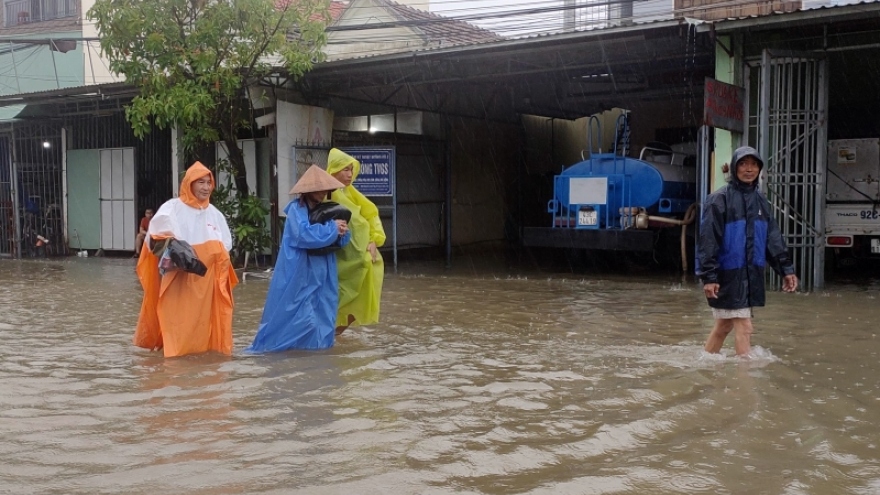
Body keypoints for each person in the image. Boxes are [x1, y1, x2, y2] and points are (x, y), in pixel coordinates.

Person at [697, 146, 799, 357]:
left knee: (723, 326)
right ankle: (746, 382)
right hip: (727, 275)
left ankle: (704, 365)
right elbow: (708, 241)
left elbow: (772, 238)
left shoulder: (760, 200)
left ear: (760, 168)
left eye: (753, 164)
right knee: (745, 327)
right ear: (734, 168)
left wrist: (785, 269)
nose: (749, 169)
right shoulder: (719, 199)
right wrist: (709, 276)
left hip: (750, 274)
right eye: (743, 164)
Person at [133, 162, 238, 358]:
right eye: (201, 182)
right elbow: (154, 240)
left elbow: (226, 247)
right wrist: (176, 248)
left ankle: (201, 362)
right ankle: (176, 367)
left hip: (207, 282)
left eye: (209, 182)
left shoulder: (214, 214)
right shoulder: (172, 208)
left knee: (206, 324)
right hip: (179, 280)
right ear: (189, 184)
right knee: (177, 322)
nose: (206, 187)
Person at [245, 165, 351, 352]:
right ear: (307, 190)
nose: (321, 192)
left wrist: (342, 232)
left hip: (324, 272)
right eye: (317, 189)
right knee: (298, 313)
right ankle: (281, 351)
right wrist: (333, 229)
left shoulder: (330, 210)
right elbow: (303, 235)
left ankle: (317, 355)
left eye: (324, 188)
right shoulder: (296, 210)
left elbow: (340, 241)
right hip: (300, 271)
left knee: (324, 311)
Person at [326, 148, 387, 335]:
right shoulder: (326, 193)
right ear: (334, 169)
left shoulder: (350, 191)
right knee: (338, 298)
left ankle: (333, 336)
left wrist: (374, 240)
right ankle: (328, 336)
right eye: (345, 169)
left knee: (360, 297)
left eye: (352, 170)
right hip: (341, 260)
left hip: (362, 257)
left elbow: (370, 213)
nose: (350, 174)